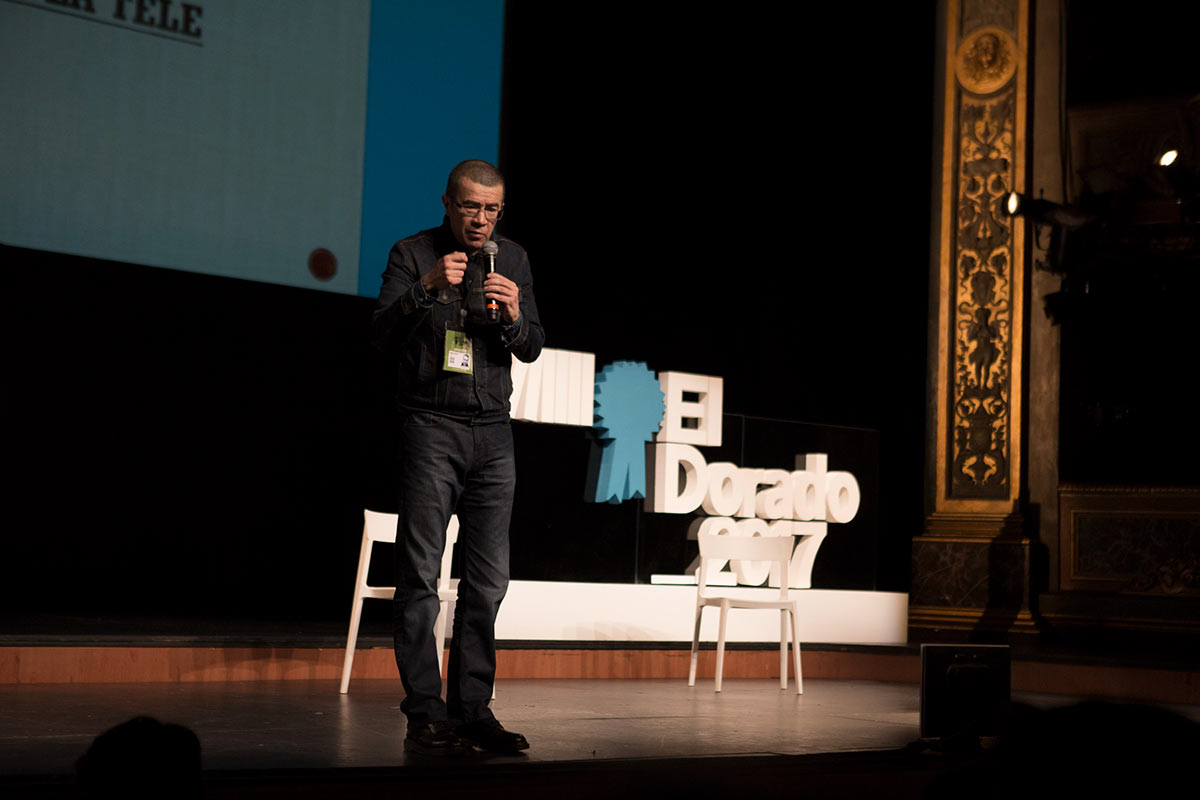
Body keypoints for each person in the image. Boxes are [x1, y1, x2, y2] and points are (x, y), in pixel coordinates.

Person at [372, 159, 544, 756]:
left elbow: (532, 346)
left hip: (494, 434)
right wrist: (425, 290)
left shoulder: (512, 259)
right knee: (421, 576)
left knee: (488, 581)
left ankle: (473, 709)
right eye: (471, 206)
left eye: (492, 209)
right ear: (448, 202)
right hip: (431, 427)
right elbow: (379, 334)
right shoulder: (412, 253)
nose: (481, 219)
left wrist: (516, 317)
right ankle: (426, 712)